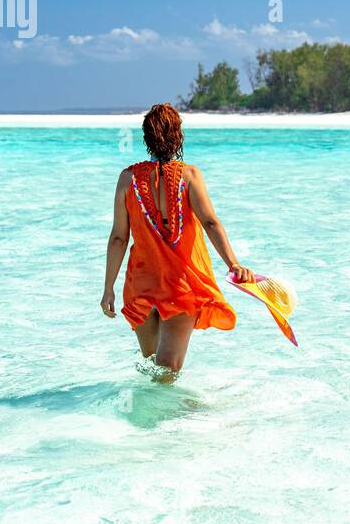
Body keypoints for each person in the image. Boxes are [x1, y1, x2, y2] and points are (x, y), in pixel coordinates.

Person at [101, 103, 254, 377]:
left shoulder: (127, 180)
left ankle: (147, 418)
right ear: (178, 136)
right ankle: (173, 418)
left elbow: (118, 238)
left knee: (153, 369)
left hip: (141, 286)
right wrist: (233, 264)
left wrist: (108, 288)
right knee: (165, 371)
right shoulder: (190, 176)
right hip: (182, 287)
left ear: (146, 138)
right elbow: (209, 222)